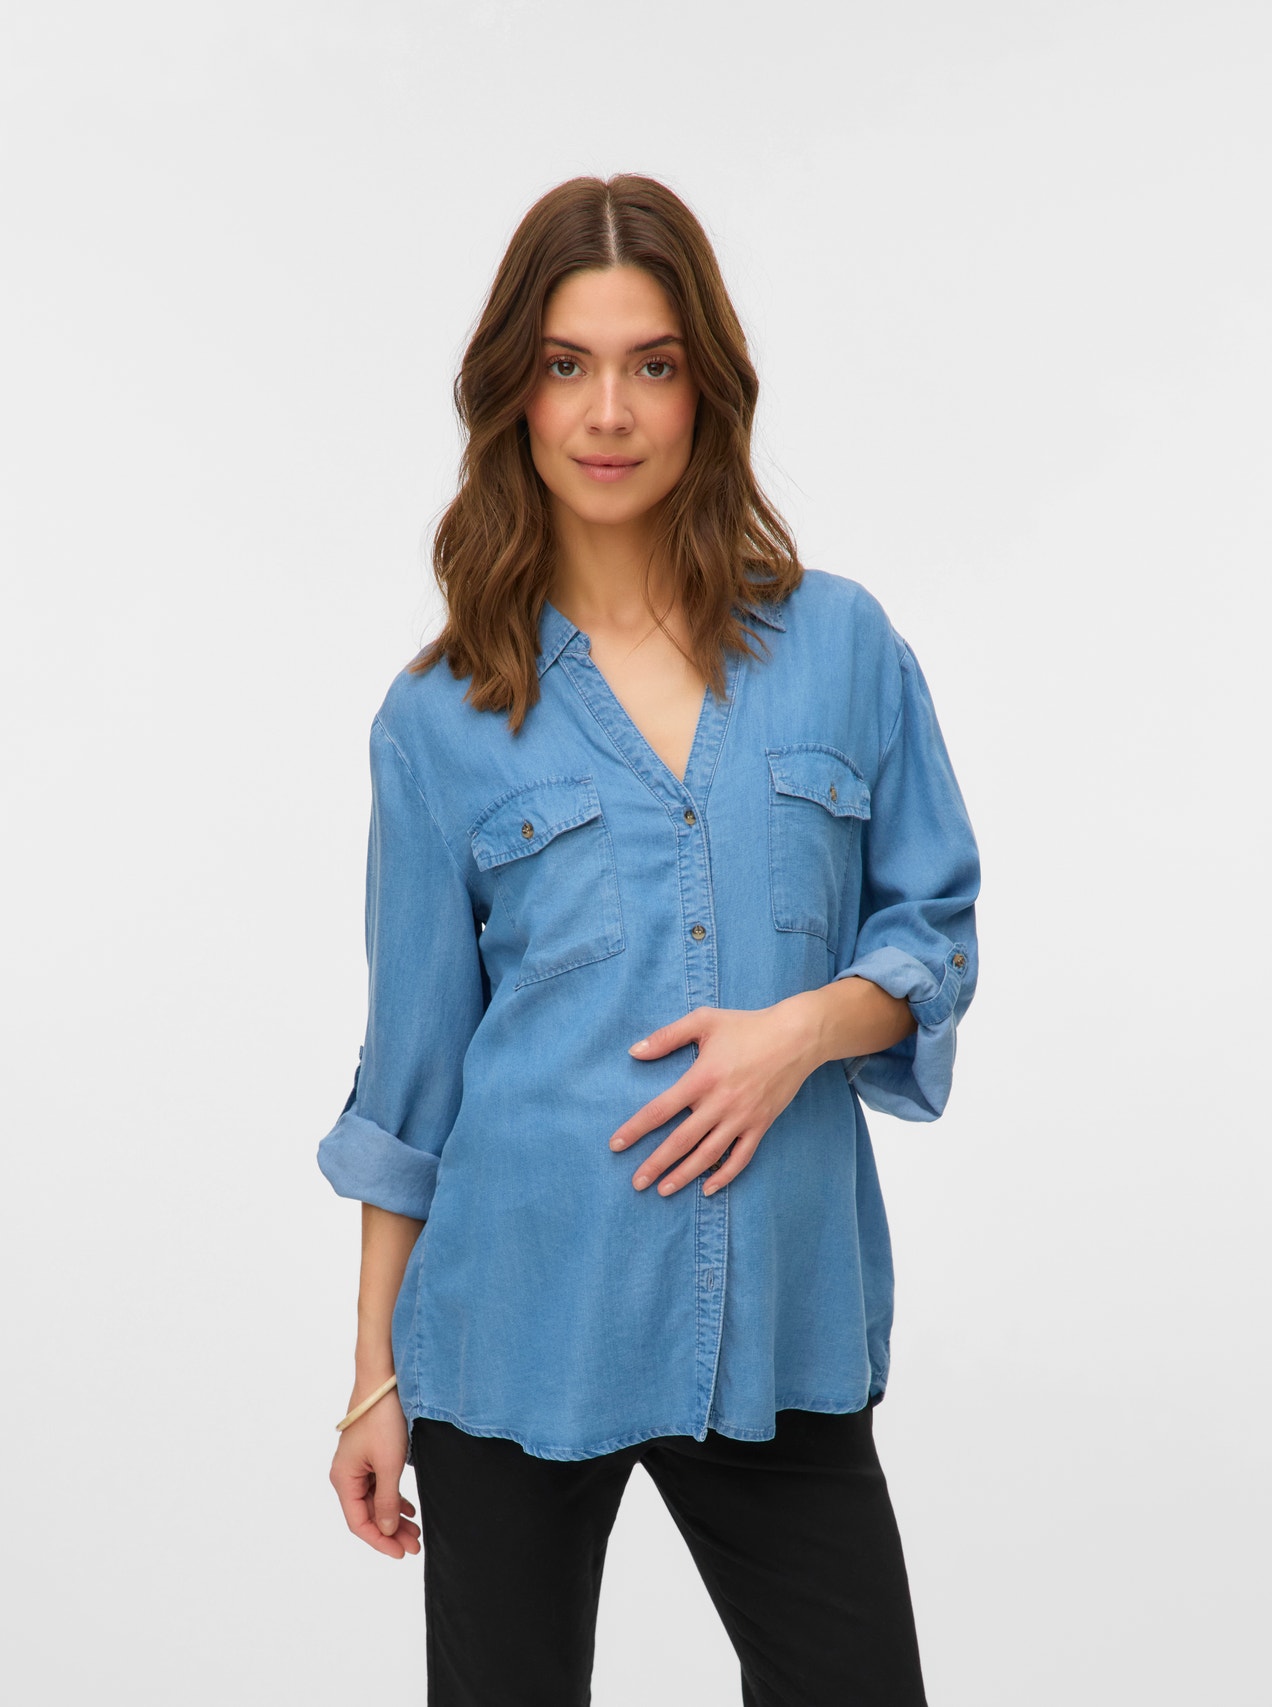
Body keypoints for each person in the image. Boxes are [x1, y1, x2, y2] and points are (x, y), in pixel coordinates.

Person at [317, 173, 980, 1706]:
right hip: (514, 1324)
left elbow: (933, 927)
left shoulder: (842, 647)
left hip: (780, 1324)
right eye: (568, 365)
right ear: (516, 394)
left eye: (651, 364)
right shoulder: (437, 719)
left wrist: (801, 1031)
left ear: (706, 391)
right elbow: (411, 1078)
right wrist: (370, 1376)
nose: (607, 412)